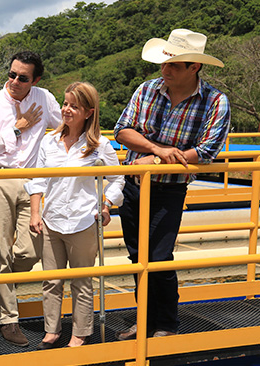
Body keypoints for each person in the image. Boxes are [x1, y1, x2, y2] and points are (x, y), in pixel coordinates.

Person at [113, 28, 230, 340]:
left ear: (195, 67)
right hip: (135, 186)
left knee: (159, 257)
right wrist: (157, 150)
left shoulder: (215, 102)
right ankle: (146, 319)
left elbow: (206, 151)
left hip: (170, 188)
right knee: (138, 256)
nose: (164, 70)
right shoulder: (147, 89)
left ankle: (165, 323)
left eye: (173, 65)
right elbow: (122, 130)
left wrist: (151, 160)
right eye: (164, 63)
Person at [25, 82, 124, 349]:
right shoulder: (49, 141)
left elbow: (117, 180)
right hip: (52, 218)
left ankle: (81, 332)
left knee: (81, 281)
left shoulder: (99, 145)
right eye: (65, 103)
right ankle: (52, 330)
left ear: (89, 112)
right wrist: (35, 212)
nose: (66, 110)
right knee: (51, 280)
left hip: (83, 220)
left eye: (73, 106)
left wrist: (106, 205)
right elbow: (37, 179)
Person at [0, 51, 61, 346]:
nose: (14, 81)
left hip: (35, 179)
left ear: (35, 80)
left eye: (22, 78)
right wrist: (17, 128)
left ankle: (4, 281)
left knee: (33, 249)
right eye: (11, 74)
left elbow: (65, 126)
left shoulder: (44, 97)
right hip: (0, 178)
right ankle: (8, 320)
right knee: (0, 252)